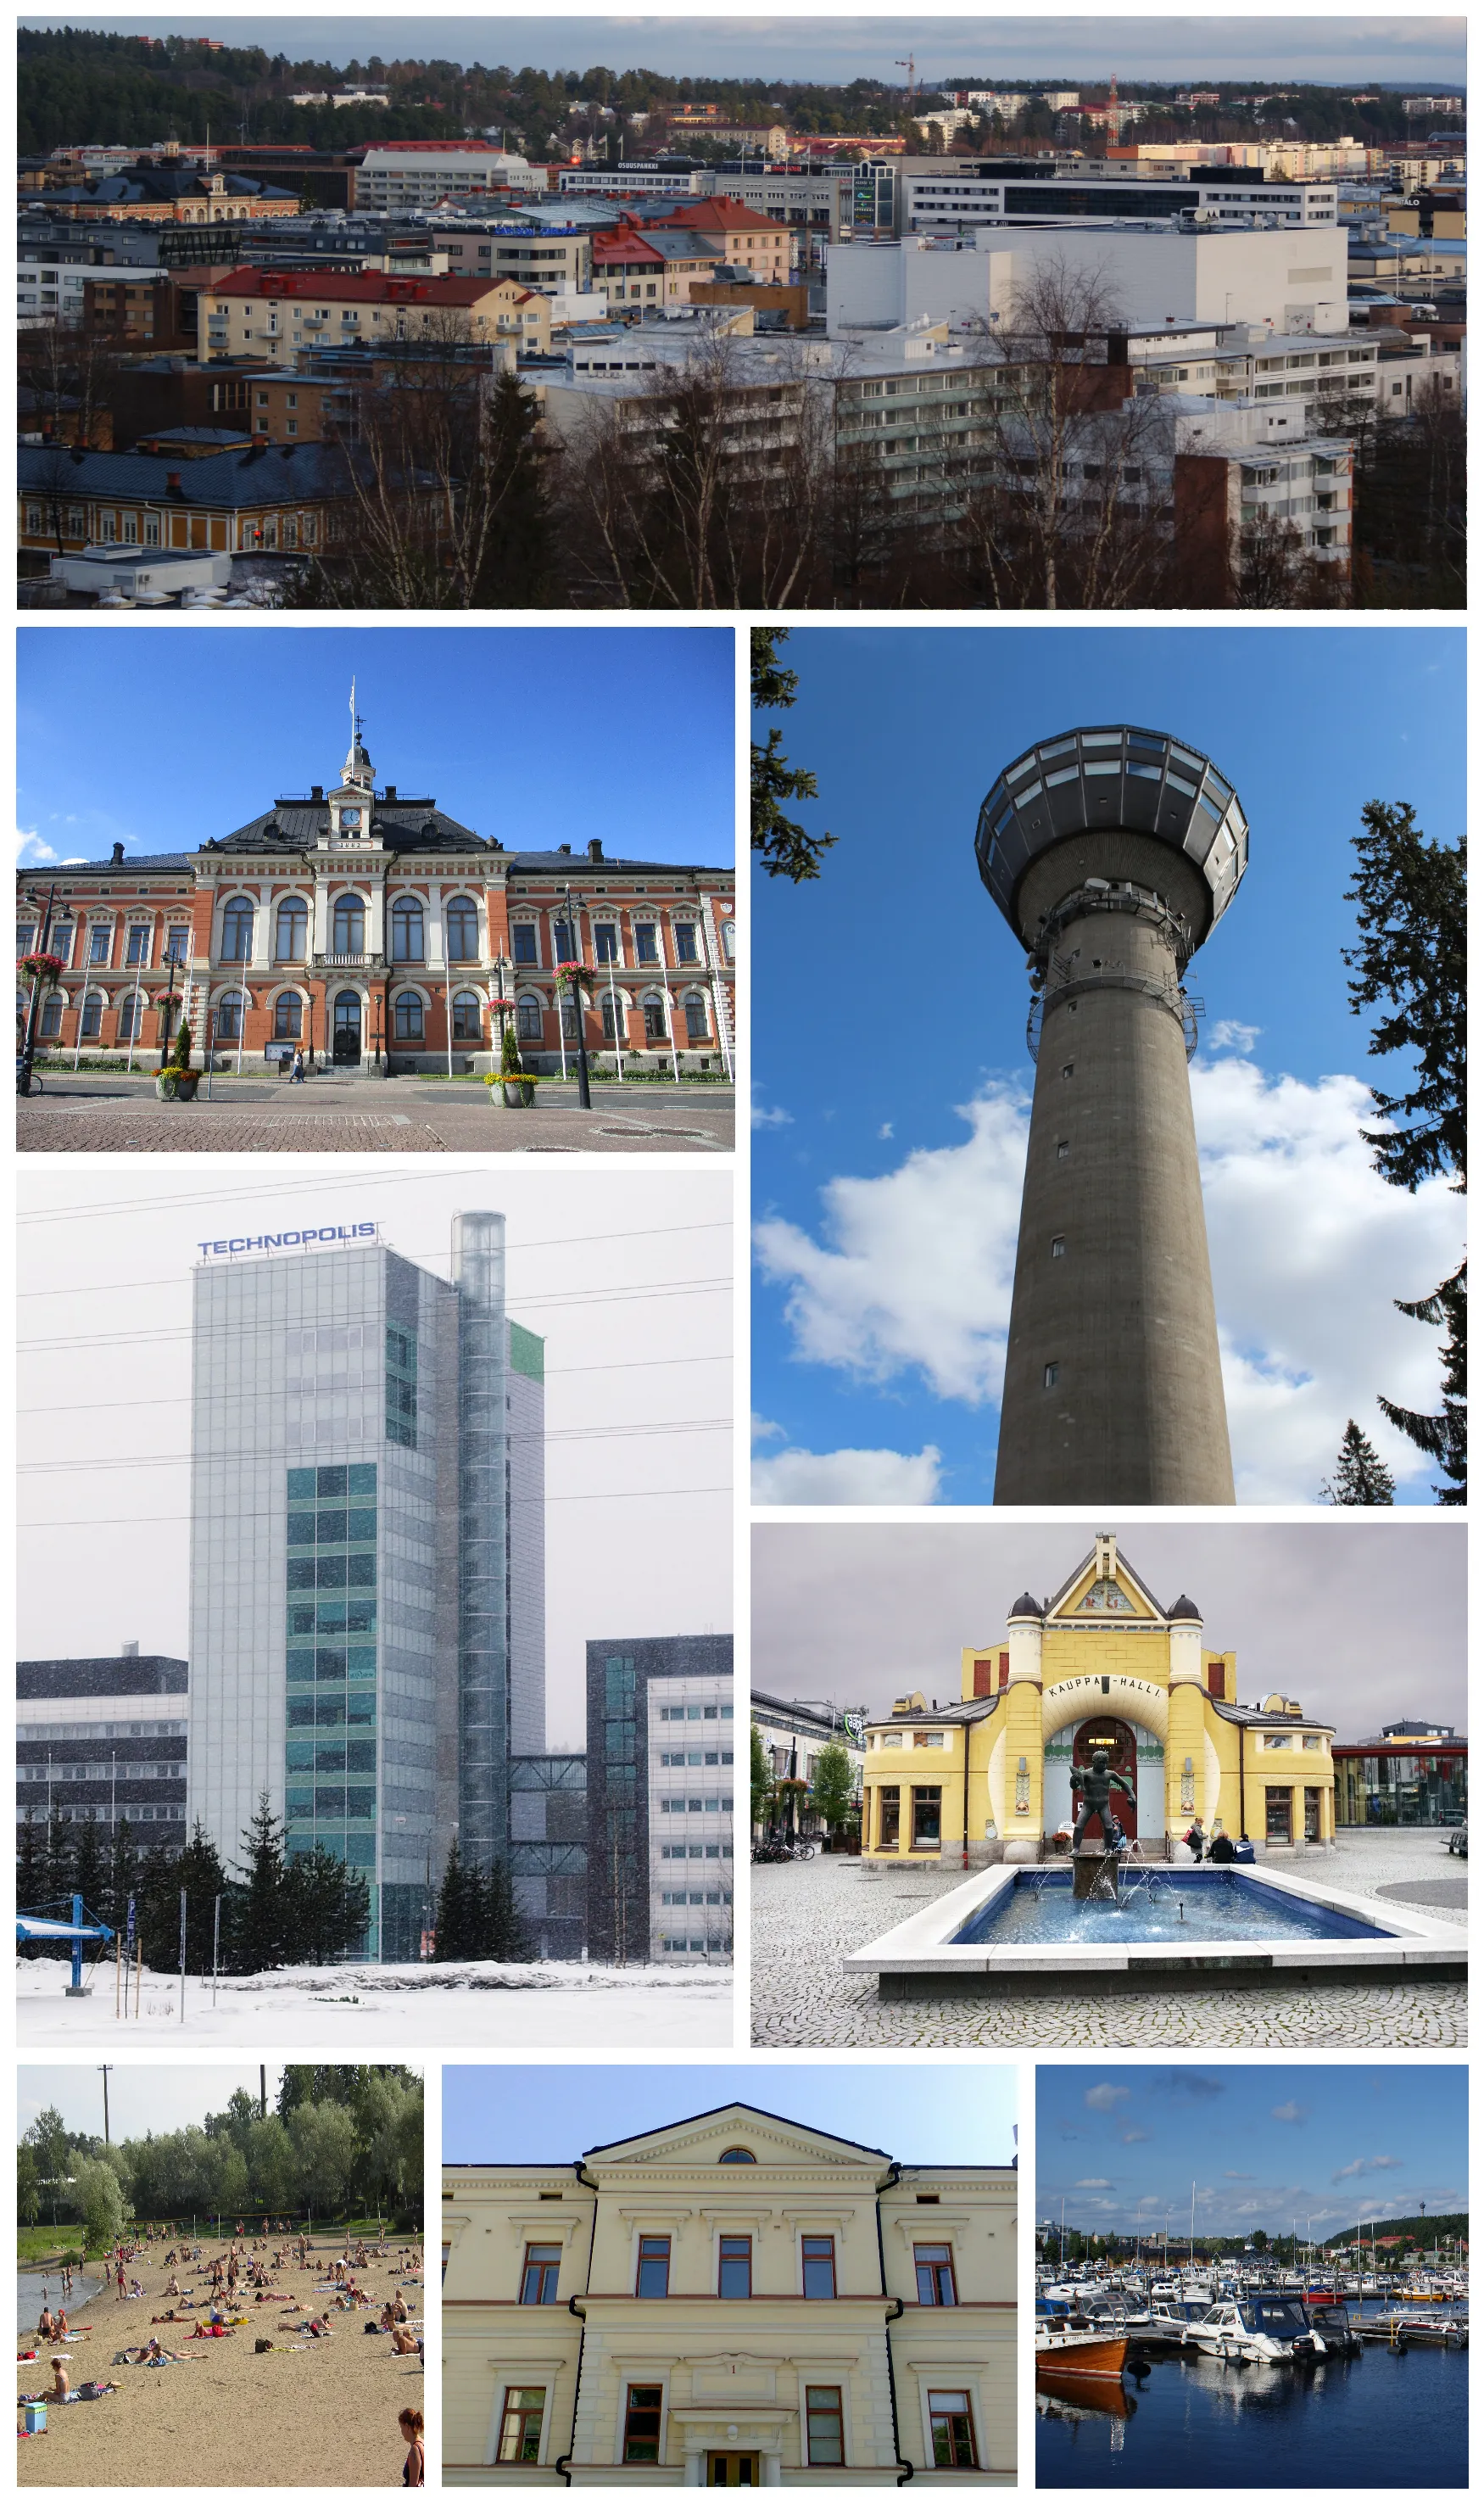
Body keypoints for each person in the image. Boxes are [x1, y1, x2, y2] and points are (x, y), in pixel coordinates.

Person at [399, 2407, 425, 2487]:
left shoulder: (415, 2450)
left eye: (401, 2427)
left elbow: (413, 2485)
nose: (401, 2432)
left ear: (407, 2427)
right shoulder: (423, 2443)